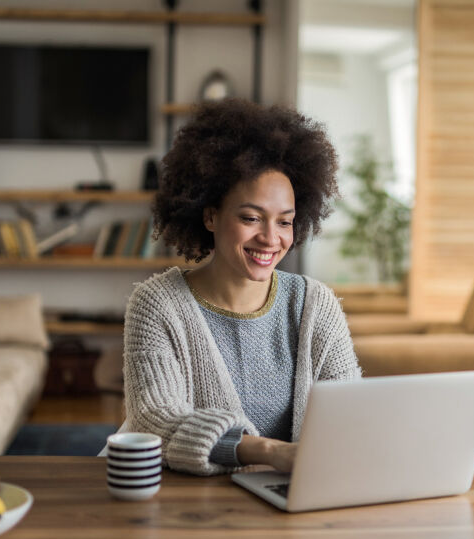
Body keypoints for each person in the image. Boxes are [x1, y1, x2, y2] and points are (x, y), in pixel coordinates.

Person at [110, 99, 362, 476]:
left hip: (293, 500)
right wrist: (269, 451)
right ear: (210, 216)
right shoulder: (157, 304)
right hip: (193, 504)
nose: (269, 238)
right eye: (250, 218)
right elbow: (154, 420)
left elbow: (351, 412)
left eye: (284, 222)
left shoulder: (315, 304)